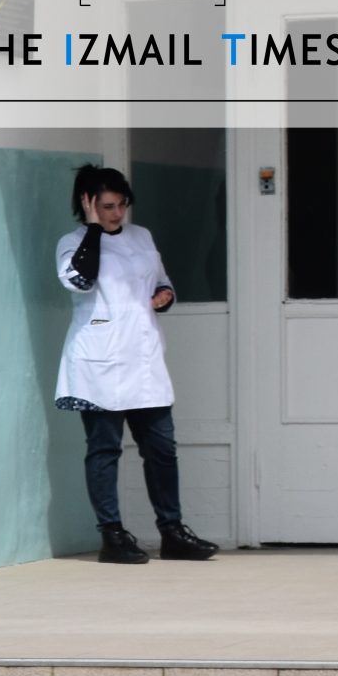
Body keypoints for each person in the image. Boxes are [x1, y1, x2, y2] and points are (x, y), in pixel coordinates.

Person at [55, 165, 218, 565]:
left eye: (121, 205)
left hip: (143, 361)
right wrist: (94, 230)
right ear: (88, 204)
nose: (117, 214)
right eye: (107, 207)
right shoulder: (72, 243)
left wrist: (164, 295)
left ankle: (173, 532)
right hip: (99, 364)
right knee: (104, 449)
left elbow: (161, 280)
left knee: (162, 448)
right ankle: (112, 536)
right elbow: (79, 280)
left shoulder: (141, 236)